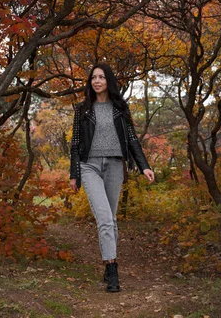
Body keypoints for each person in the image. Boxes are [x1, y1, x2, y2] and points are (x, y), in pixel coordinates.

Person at [69, 63, 155, 292]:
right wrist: (74, 173)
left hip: (116, 165)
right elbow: (75, 143)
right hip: (90, 166)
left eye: (101, 77)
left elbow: (132, 139)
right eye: (93, 78)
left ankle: (107, 265)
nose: (97, 81)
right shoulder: (82, 110)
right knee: (105, 219)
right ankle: (113, 268)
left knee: (112, 220)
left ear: (108, 81)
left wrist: (144, 166)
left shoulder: (121, 108)